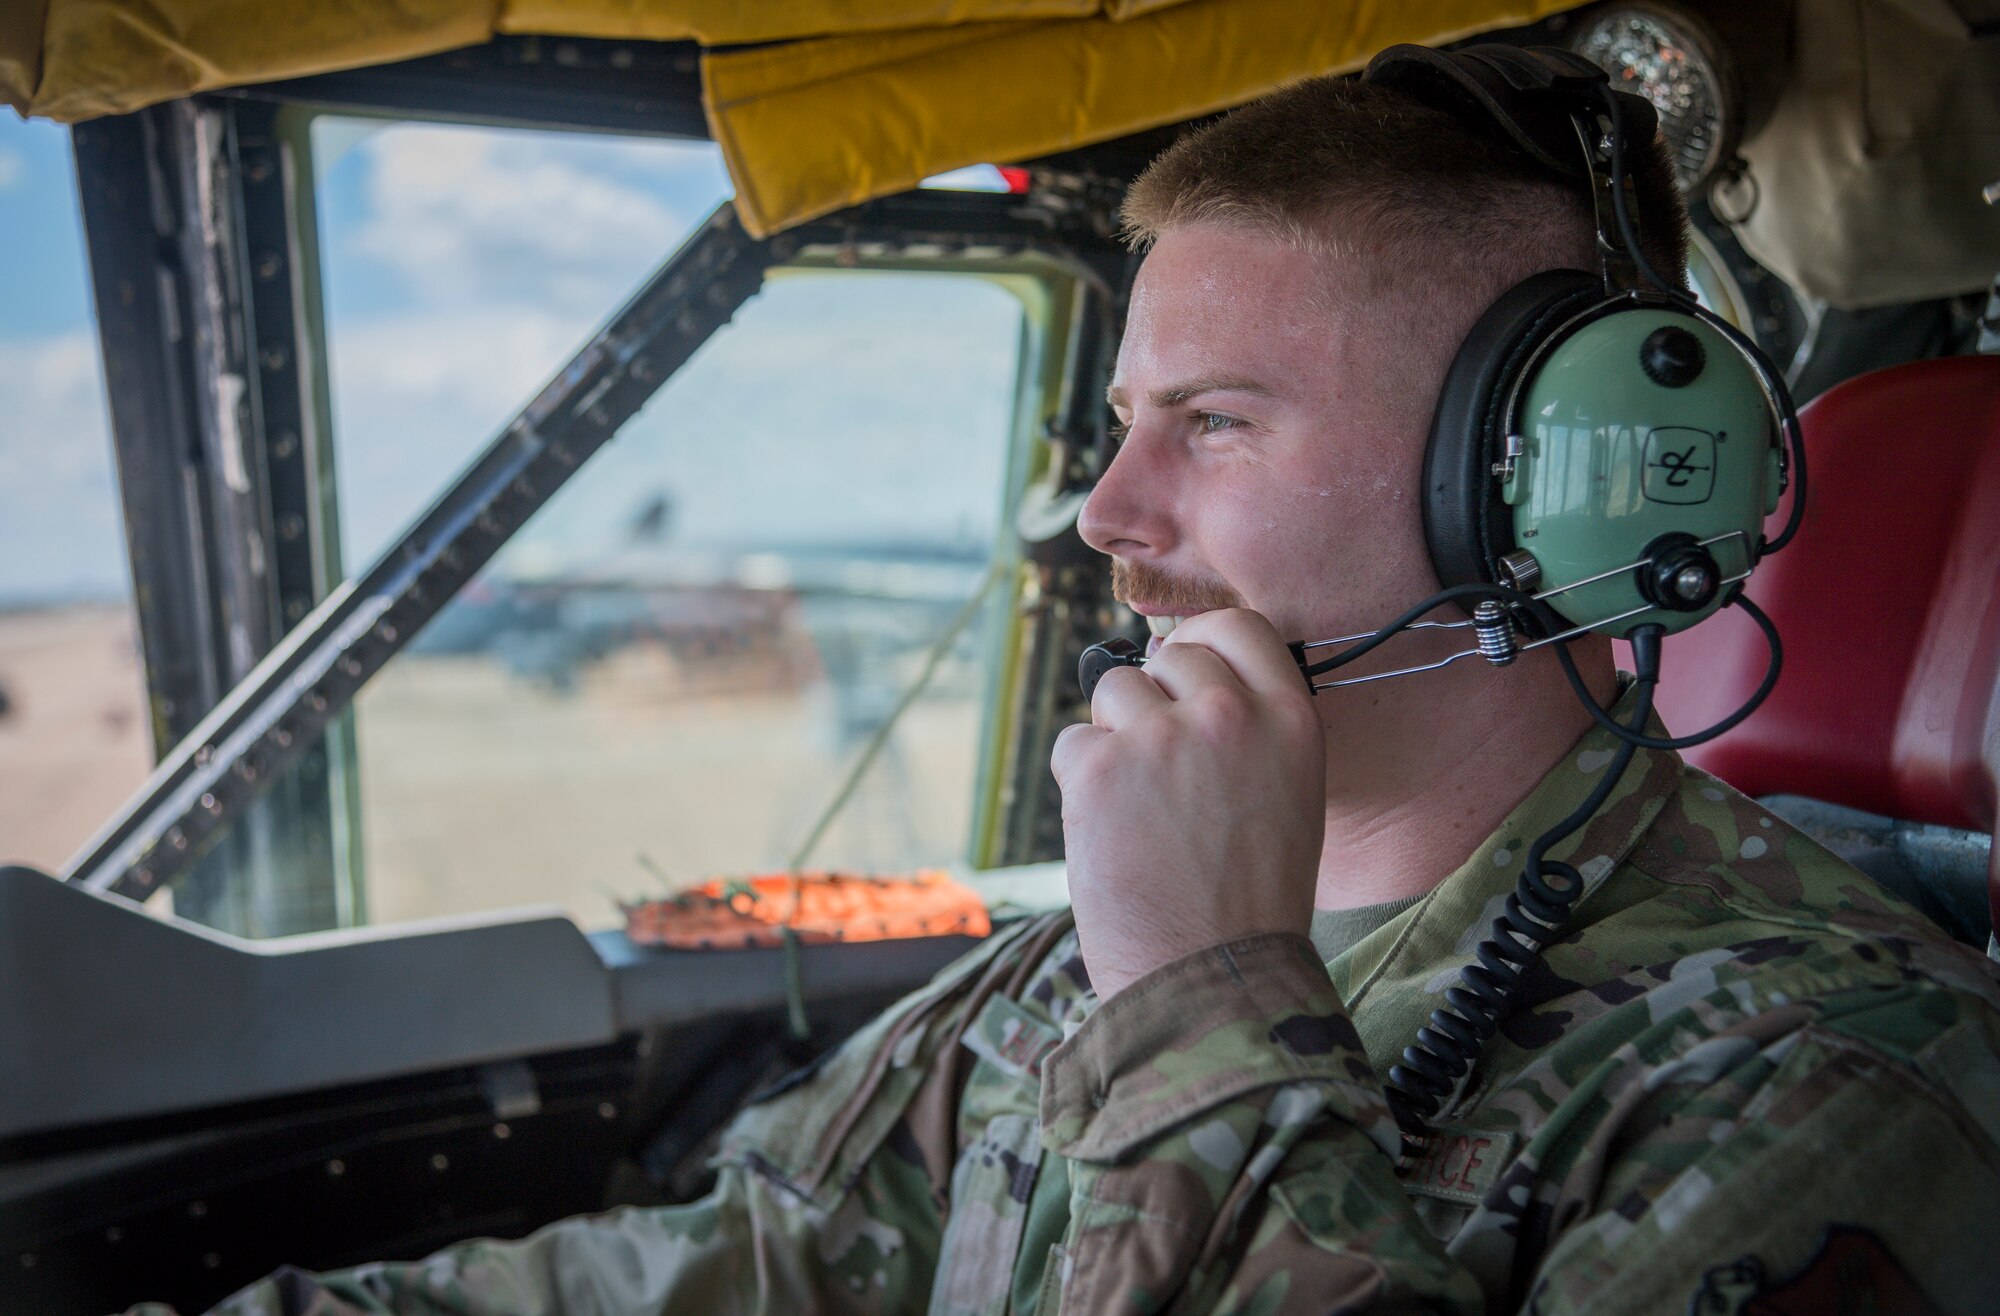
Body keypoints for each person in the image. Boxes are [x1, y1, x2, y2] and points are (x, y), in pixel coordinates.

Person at [169, 49, 2000, 1316]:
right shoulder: (1091, 951)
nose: (1106, 521)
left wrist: (1211, 1001)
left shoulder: (1834, 1082)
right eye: (1124, 424)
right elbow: (746, 1264)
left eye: (1213, 426)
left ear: (1543, 481)